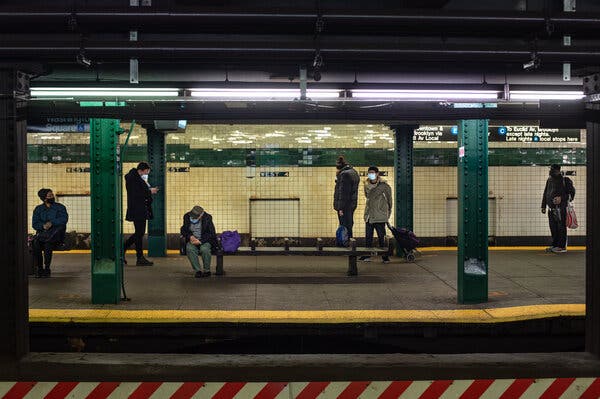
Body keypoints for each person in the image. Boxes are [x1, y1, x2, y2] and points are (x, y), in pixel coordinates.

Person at [124, 162, 159, 266]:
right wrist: (150, 191)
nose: (147, 174)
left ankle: (138, 256)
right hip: (138, 210)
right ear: (142, 170)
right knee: (139, 233)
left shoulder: (134, 178)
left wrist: (148, 190)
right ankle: (135, 255)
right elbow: (137, 194)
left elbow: (138, 191)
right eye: (147, 172)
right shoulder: (134, 179)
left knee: (139, 233)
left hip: (139, 209)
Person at [32, 188, 68, 278]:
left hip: (56, 234)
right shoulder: (38, 209)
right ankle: (39, 268)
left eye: (52, 195)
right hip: (43, 234)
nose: (52, 197)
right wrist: (43, 226)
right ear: (44, 198)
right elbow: (34, 224)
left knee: (48, 243)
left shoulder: (60, 207)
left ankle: (47, 268)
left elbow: (64, 220)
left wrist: (52, 223)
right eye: (50, 196)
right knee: (36, 243)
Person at [360, 166, 392, 263]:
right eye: (369, 173)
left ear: (377, 174)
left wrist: (386, 213)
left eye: (373, 172)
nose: (371, 175)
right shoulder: (366, 184)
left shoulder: (384, 186)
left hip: (380, 215)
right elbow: (367, 197)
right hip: (369, 215)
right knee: (368, 236)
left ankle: (385, 257)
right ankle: (367, 256)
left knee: (381, 236)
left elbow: (389, 200)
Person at [541, 164, 575, 253]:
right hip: (551, 209)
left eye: (551, 170)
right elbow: (545, 193)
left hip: (561, 208)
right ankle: (555, 244)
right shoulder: (549, 180)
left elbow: (572, 194)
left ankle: (562, 246)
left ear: (557, 171)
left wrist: (561, 198)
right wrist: (543, 205)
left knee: (561, 227)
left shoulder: (565, 180)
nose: (550, 171)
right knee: (553, 227)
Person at [180, 206, 219, 278]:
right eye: (192, 217)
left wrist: (200, 241)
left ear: (201, 215)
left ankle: (207, 270)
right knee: (189, 249)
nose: (193, 219)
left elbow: (211, 233)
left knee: (205, 249)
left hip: (204, 240)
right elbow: (183, 230)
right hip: (192, 239)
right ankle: (198, 270)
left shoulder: (207, 218)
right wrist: (190, 236)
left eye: (195, 217)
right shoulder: (187, 216)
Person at [333, 155, 360, 238]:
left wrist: (340, 208)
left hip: (345, 206)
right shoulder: (353, 172)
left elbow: (343, 193)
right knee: (349, 225)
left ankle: (345, 244)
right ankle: (350, 243)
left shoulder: (344, 175)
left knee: (344, 226)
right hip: (351, 204)